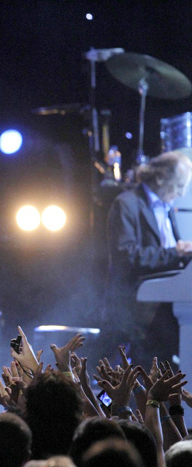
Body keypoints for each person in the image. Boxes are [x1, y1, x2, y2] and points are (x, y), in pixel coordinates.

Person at [105, 150, 192, 363]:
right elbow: (126, 256)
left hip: (168, 301)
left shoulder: (167, 207)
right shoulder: (127, 204)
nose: (181, 193)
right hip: (142, 305)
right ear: (161, 177)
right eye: (179, 185)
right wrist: (176, 252)